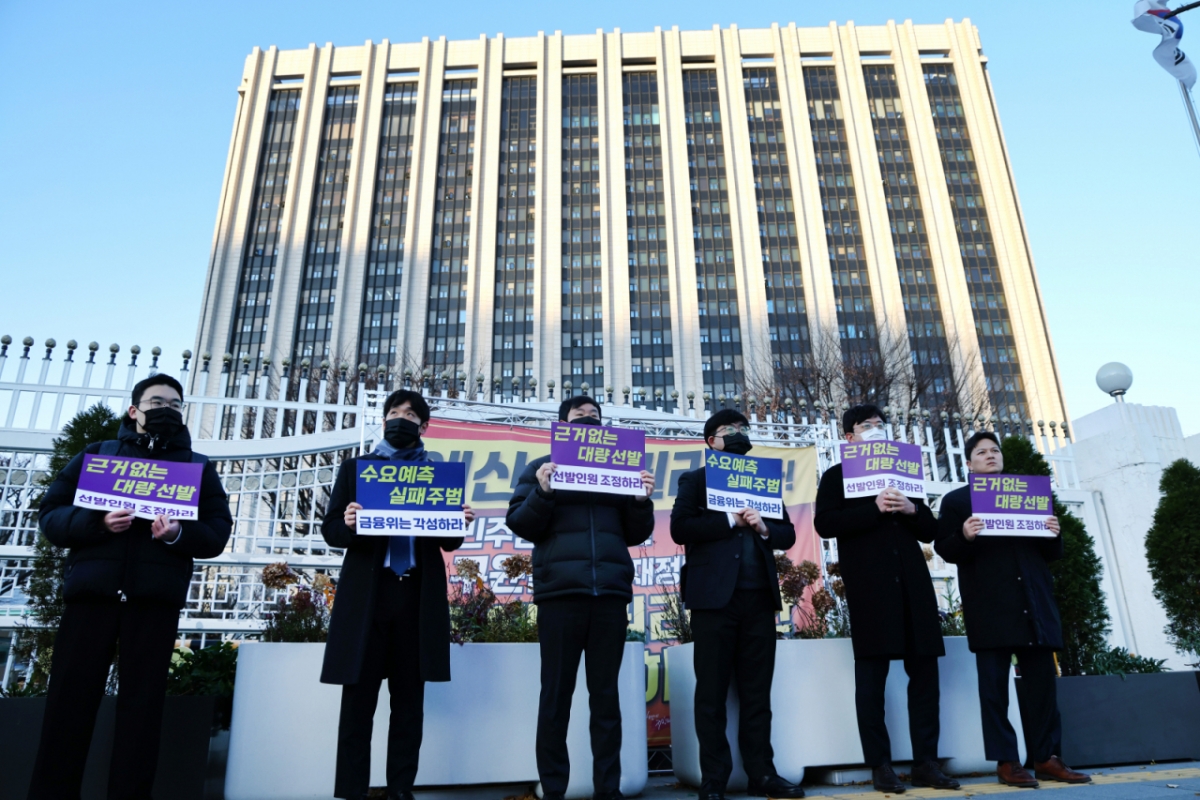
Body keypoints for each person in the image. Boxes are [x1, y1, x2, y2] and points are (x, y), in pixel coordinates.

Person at [30, 374, 232, 799]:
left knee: (142, 715)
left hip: (153, 604)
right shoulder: (97, 455)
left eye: (175, 404)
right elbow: (50, 513)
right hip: (91, 600)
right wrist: (96, 522)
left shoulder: (197, 467)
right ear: (134, 409)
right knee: (68, 708)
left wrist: (179, 534)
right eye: (157, 401)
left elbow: (217, 531)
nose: (166, 409)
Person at [320, 389, 474, 800]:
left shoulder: (438, 473)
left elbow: (450, 541)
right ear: (384, 419)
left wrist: (457, 519)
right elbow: (332, 530)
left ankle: (400, 790)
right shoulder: (358, 469)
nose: (399, 418)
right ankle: (352, 791)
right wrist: (349, 521)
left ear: (424, 426)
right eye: (393, 412)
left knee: (409, 708)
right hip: (368, 599)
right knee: (358, 706)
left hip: (415, 600)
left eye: (409, 414)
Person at [506, 396, 656, 800]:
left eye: (595, 417)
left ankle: (608, 789)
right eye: (579, 417)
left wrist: (642, 501)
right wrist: (543, 490)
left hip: (608, 593)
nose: (589, 421)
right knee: (555, 697)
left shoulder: (621, 468)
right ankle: (554, 789)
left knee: (606, 699)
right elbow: (519, 522)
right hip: (560, 594)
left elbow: (635, 532)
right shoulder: (541, 468)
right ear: (561, 426)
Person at [813, 404, 959, 794]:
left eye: (880, 425)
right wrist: (872, 508)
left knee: (925, 675)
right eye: (866, 426)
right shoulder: (836, 476)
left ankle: (926, 762)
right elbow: (825, 523)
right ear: (849, 437)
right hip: (870, 588)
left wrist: (912, 508)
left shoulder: (903, 475)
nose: (875, 430)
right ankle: (880, 764)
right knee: (872, 679)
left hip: (913, 585)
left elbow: (930, 531)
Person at [934, 432, 1092, 789]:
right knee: (994, 689)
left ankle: (1047, 758)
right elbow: (945, 548)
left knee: (1042, 687)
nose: (990, 456)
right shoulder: (958, 500)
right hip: (991, 607)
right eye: (981, 452)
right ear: (969, 463)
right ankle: (1007, 762)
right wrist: (965, 535)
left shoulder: (1029, 494)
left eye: (995, 451)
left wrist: (1055, 533)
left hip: (1033, 603)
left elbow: (1051, 554)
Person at [670, 409, 805, 800]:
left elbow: (787, 533)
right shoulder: (695, 481)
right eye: (728, 430)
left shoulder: (760, 479)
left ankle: (763, 773)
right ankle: (714, 778)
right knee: (710, 693)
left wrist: (764, 526)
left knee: (757, 693)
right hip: (713, 601)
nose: (737, 434)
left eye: (742, 429)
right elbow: (680, 528)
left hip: (759, 599)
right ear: (710, 441)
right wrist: (730, 520)